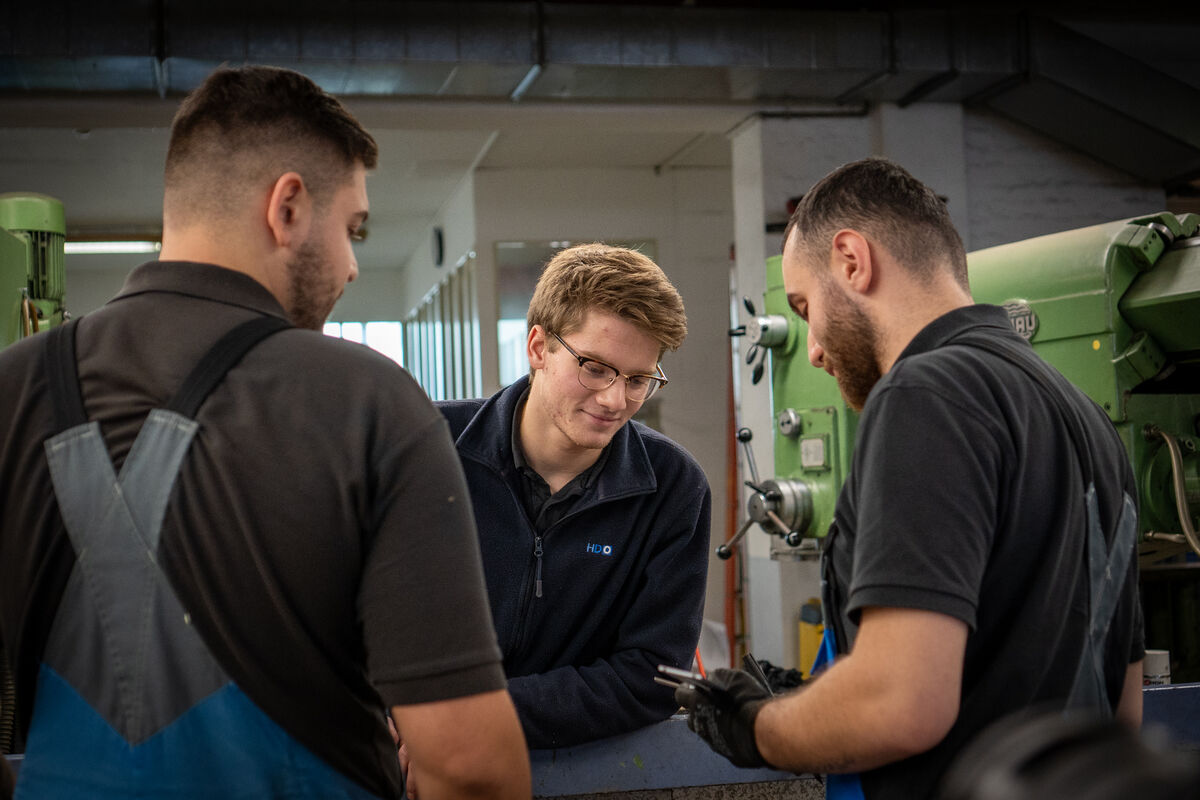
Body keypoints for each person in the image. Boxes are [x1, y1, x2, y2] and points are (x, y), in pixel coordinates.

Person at [0, 65, 529, 800]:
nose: (349, 266)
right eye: (353, 229)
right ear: (287, 207)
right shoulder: (368, 401)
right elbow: (468, 768)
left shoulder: (13, 389)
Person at [675, 158, 1143, 800]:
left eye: (805, 306)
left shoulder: (925, 393)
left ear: (851, 259)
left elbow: (902, 705)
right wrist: (816, 699)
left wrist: (756, 727)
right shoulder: (1083, 414)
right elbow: (1124, 705)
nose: (811, 346)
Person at [436, 243, 711, 750]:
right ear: (539, 347)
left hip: (580, 768)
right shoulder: (425, 447)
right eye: (595, 367)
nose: (614, 400)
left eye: (637, 380)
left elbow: (653, 678)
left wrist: (478, 718)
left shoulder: (674, 487)